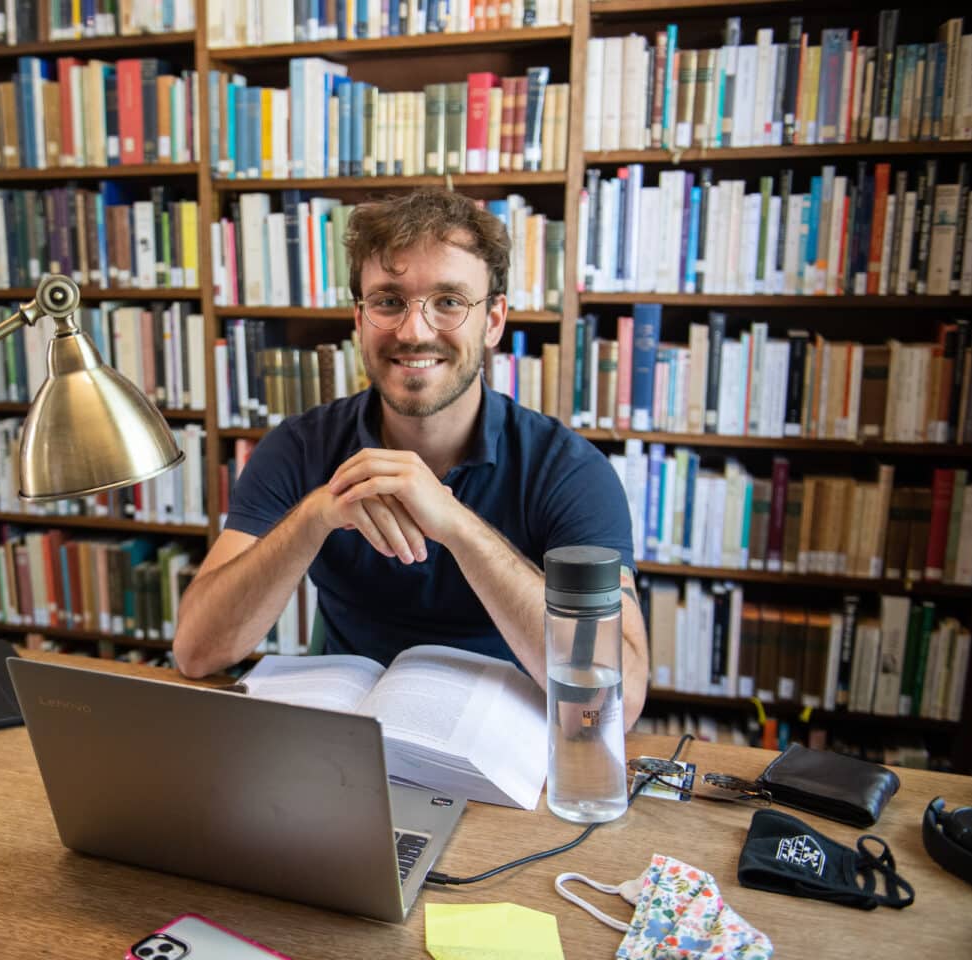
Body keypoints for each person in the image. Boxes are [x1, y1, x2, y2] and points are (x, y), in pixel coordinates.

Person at [173, 189, 648, 729]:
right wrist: (313, 518)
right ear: (360, 318)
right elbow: (196, 652)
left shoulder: (568, 471)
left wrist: (458, 527)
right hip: (346, 747)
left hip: (500, 749)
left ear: (493, 320)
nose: (414, 330)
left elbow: (620, 698)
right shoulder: (300, 447)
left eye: (448, 301)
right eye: (389, 301)